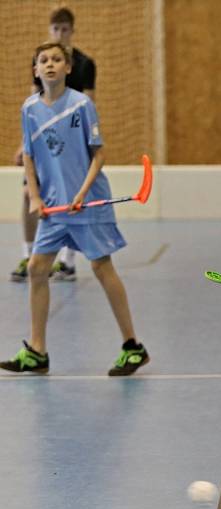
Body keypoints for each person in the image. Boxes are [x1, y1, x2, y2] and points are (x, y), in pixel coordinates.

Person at [0, 42, 148, 377]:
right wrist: (35, 197)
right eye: (43, 61)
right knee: (38, 268)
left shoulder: (82, 105)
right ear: (36, 70)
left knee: (101, 268)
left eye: (56, 60)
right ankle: (37, 351)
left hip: (86, 202)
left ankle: (133, 347)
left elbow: (99, 155)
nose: (49, 65)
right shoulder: (29, 109)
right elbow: (29, 156)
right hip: (54, 206)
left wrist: (82, 192)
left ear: (68, 68)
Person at [10, 7, 96, 283]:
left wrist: (85, 143)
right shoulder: (40, 60)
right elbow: (33, 104)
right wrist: (25, 143)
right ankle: (29, 255)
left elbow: (90, 104)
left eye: (64, 29)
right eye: (55, 29)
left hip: (71, 141)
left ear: (72, 30)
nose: (59, 34)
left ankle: (68, 262)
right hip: (43, 141)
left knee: (70, 199)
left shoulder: (84, 64)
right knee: (28, 194)